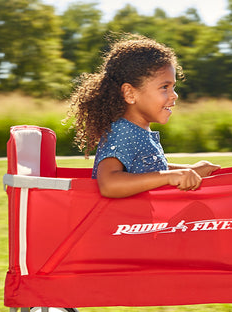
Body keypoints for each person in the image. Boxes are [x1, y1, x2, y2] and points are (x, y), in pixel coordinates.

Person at [63, 35, 219, 198]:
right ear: (130, 93)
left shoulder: (138, 130)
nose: (175, 95)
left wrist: (189, 170)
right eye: (164, 87)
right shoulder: (122, 132)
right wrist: (170, 177)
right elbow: (109, 184)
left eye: (173, 87)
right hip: (120, 222)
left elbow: (148, 167)